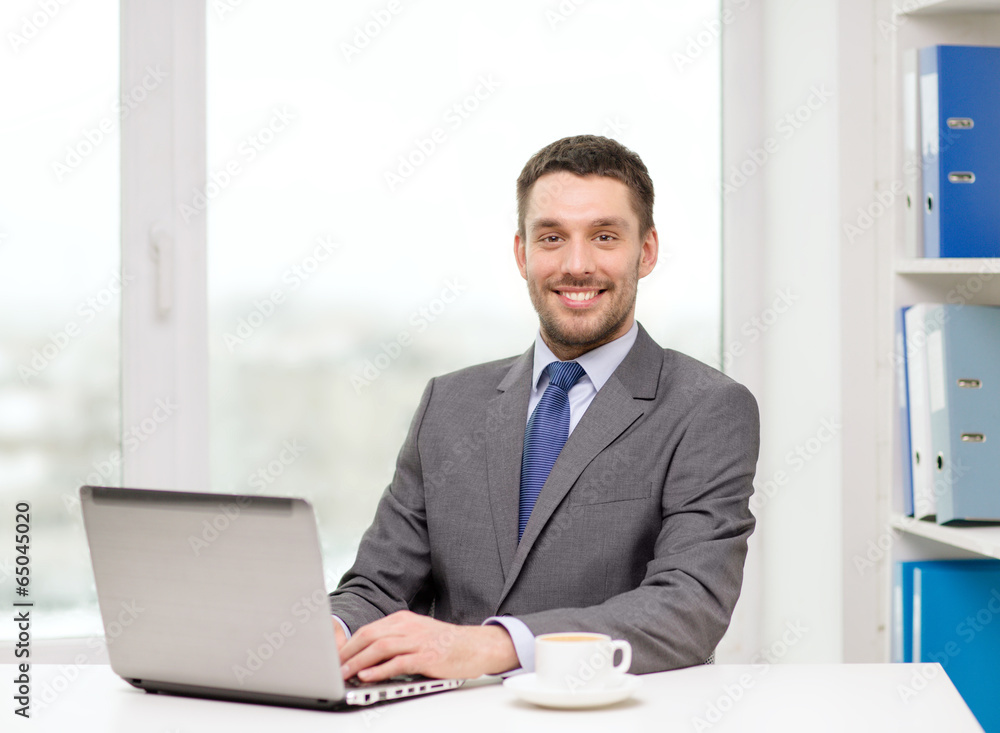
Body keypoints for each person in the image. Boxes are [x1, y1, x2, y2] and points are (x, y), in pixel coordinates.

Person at [330, 135, 760, 682]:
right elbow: (377, 586)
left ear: (646, 251)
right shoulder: (449, 403)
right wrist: (330, 631)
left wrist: (497, 646)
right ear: (522, 254)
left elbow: (687, 607)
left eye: (604, 236)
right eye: (552, 237)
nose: (576, 265)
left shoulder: (708, 409)